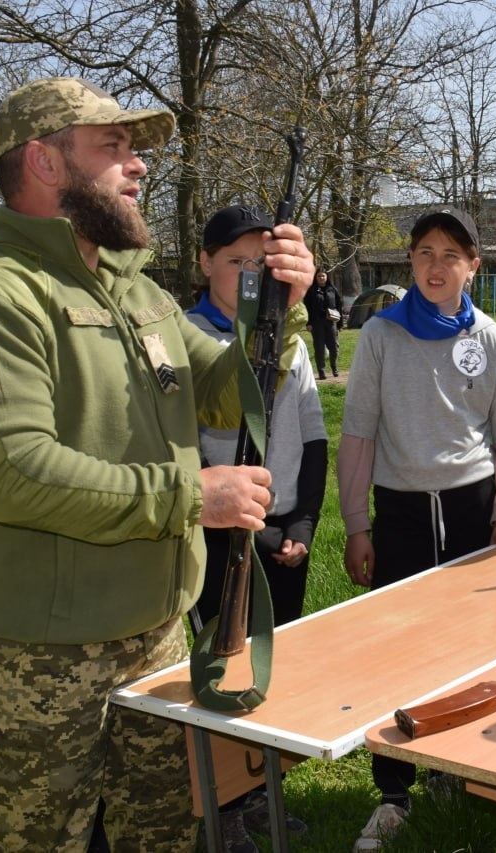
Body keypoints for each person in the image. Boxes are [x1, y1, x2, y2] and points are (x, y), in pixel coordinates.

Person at [0, 77, 315, 851]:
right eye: (115, 146)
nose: (138, 167)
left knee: (160, 835)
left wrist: (281, 307)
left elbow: (232, 398)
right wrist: (189, 495)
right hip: (42, 659)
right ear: (44, 161)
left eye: (136, 150)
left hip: (157, 635)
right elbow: (13, 472)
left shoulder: (141, 297)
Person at [337, 205, 496, 851]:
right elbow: (359, 432)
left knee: (472, 650)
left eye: (451, 254)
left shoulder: (495, 340)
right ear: (410, 261)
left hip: (471, 510)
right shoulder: (380, 335)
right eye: (424, 251)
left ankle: (459, 774)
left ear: (473, 266)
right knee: (397, 652)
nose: (436, 265)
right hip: (399, 514)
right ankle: (393, 793)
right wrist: (355, 524)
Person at [185, 204, 324, 848]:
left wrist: (301, 521)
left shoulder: (283, 337)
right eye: (235, 261)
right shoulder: (187, 340)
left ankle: (266, 786)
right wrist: (260, 532)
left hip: (283, 534)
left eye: (257, 263)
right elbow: (199, 458)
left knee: (274, 667)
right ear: (206, 262)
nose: (246, 274)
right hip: (221, 536)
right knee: (220, 667)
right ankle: (227, 801)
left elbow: (315, 436)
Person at [305, 268, 342, 378]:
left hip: (331, 322)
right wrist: (308, 323)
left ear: (327, 277)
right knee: (319, 348)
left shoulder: (332, 289)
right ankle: (321, 371)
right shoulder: (311, 290)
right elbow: (307, 308)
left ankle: (334, 367)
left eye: (323, 276)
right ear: (315, 278)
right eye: (319, 276)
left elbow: (339, 305)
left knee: (334, 347)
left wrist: (340, 324)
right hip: (317, 323)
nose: (321, 278)